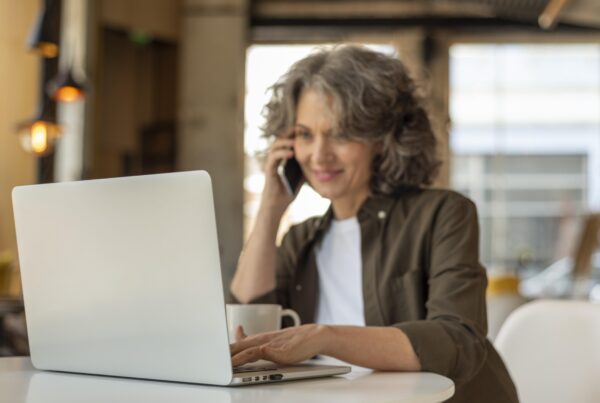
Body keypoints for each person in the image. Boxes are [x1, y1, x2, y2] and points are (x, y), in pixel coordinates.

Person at [229, 45, 518, 402]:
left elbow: (457, 340)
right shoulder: (300, 240)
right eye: (305, 134)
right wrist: (271, 209)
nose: (319, 154)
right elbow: (248, 321)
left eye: (341, 133)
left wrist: (326, 337)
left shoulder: (444, 213)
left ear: (382, 139)